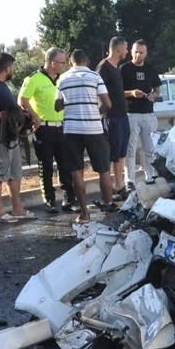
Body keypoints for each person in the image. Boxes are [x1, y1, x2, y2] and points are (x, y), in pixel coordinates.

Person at [57, 49, 114, 223]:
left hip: (71, 130)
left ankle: (84, 213)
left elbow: (57, 106)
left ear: (70, 63)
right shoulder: (95, 77)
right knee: (103, 170)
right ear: (87, 62)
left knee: (77, 171)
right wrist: (96, 113)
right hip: (94, 129)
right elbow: (108, 103)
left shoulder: (62, 79)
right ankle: (109, 211)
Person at [18, 47, 77, 213]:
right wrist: (35, 117)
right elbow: (22, 100)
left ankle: (69, 199)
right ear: (52, 63)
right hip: (43, 129)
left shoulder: (62, 78)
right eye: (62, 62)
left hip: (62, 127)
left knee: (65, 164)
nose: (64, 65)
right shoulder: (34, 78)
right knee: (46, 165)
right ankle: (49, 200)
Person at [0, 52, 35, 224]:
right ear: (7, 68)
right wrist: (8, 118)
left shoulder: (0, 85)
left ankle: (17, 209)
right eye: (13, 68)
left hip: (10, 137)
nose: (13, 71)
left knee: (14, 174)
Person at [119, 38, 161, 188]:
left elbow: (157, 89)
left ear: (146, 53)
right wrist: (131, 93)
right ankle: (129, 181)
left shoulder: (151, 69)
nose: (138, 55)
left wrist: (153, 96)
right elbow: (117, 92)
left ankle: (151, 177)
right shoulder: (124, 69)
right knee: (130, 150)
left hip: (148, 113)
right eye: (136, 52)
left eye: (141, 52)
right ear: (131, 51)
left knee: (150, 150)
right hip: (131, 114)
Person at [96, 36, 130, 193]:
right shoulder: (103, 67)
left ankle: (119, 185)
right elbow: (96, 91)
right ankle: (109, 190)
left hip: (122, 116)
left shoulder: (117, 67)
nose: (127, 51)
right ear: (119, 49)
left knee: (121, 153)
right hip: (110, 117)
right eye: (126, 48)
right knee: (112, 154)